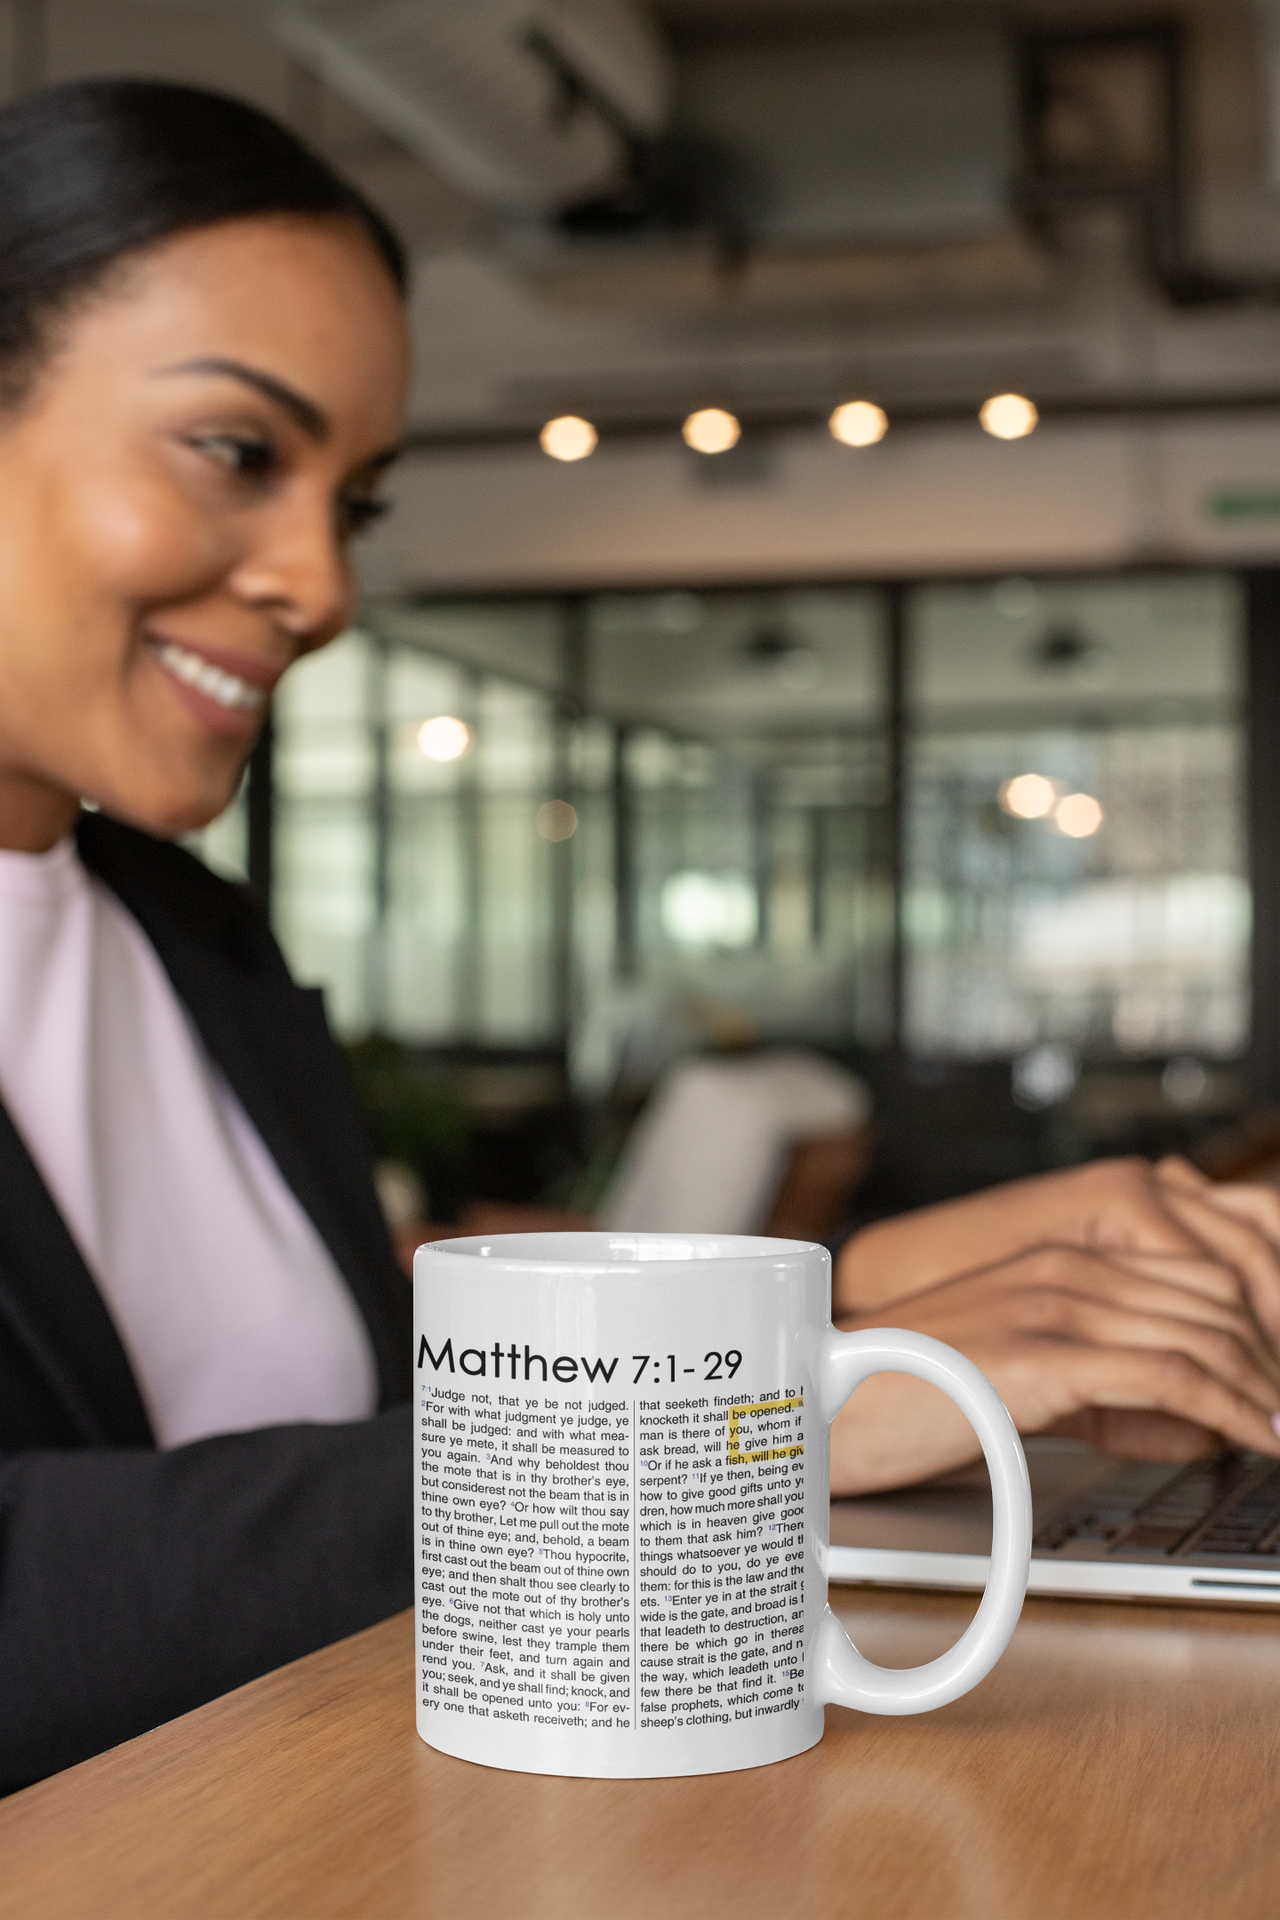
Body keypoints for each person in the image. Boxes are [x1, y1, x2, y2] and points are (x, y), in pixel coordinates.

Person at [3, 73, 1280, 1795]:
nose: (322, 586)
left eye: (356, 502)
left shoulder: (184, 938)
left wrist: (946, 1296)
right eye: (239, 451)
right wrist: (755, 1428)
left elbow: (364, 1411)